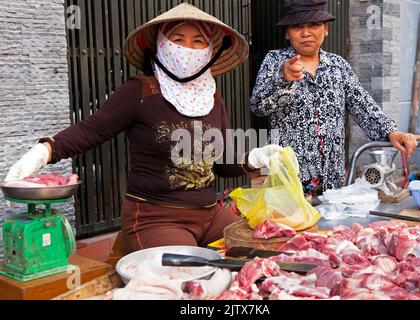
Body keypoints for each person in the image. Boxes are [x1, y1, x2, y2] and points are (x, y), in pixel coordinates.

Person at [5, 3, 282, 252]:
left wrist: (254, 158)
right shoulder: (140, 91)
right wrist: (44, 151)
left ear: (210, 51)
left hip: (211, 214)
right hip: (157, 218)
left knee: (261, 253)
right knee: (188, 278)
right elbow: (93, 129)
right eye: (177, 39)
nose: (188, 48)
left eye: (198, 41)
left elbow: (222, 163)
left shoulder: (212, 95)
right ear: (161, 45)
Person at [250, 0, 420, 196]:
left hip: (331, 180)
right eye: (297, 26)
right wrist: (283, 79)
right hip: (288, 176)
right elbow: (258, 106)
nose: (306, 33)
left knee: (327, 226)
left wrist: (392, 132)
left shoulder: (338, 66)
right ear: (287, 32)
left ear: (325, 29)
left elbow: (362, 105)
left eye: (314, 25)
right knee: (289, 225)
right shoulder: (275, 61)